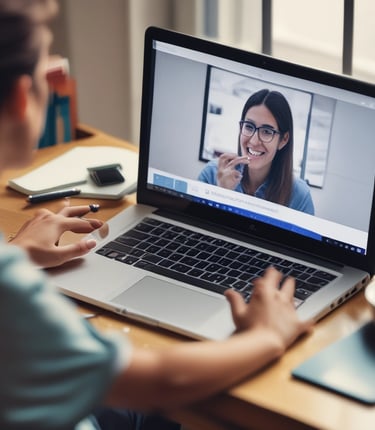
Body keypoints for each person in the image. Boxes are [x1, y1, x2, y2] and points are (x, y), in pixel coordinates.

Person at [0, 1, 314, 429]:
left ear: (283, 139)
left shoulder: (299, 194)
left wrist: (16, 255)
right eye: (45, 73)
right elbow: (158, 383)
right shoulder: (9, 289)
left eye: (267, 130)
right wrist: (269, 334)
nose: (255, 138)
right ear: (23, 98)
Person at [198, 89, 315, 215]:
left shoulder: (300, 197)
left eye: (266, 131)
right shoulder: (212, 173)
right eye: (249, 126)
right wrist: (221, 194)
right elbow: (196, 229)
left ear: (283, 140)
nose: (254, 141)